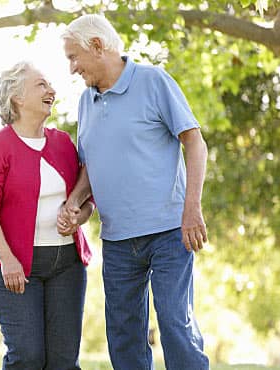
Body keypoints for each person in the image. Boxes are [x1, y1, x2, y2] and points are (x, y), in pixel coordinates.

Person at [58, 14, 210, 370]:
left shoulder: (153, 80)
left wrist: (192, 209)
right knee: (124, 336)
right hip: (118, 240)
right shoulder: (85, 102)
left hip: (169, 232)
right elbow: (91, 167)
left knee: (175, 325)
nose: (71, 68)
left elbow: (195, 143)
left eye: (73, 57)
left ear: (97, 46)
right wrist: (74, 202)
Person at [0, 61, 94, 370]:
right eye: (41, 85)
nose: (51, 90)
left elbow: (87, 198)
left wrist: (78, 216)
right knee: (27, 357)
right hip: (15, 269)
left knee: (63, 362)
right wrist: (7, 259)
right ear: (17, 98)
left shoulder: (63, 143)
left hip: (67, 265)